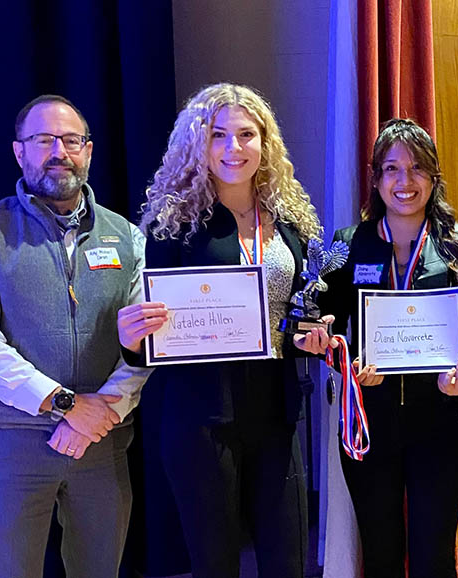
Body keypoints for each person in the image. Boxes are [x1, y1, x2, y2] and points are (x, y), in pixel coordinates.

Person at [115, 83, 324, 578]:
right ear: (197, 144)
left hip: (278, 412)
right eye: (218, 135)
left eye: (247, 134)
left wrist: (312, 335)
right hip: (200, 419)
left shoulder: (291, 221)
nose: (235, 148)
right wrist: (131, 342)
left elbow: (297, 311)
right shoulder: (173, 226)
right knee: (214, 565)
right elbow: (155, 339)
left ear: (265, 142)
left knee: (288, 560)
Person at [0, 94, 150, 577]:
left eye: (71, 139)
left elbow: (143, 344)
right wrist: (65, 405)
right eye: (43, 139)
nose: (59, 150)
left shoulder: (127, 236)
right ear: (19, 151)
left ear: (89, 151)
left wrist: (102, 412)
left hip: (103, 440)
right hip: (15, 442)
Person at [309, 119, 458, 578]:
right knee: (382, 551)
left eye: (416, 169)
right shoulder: (349, 245)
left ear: (433, 178)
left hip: (442, 425)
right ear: (375, 179)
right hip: (370, 427)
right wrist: (345, 360)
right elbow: (322, 328)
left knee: (434, 555)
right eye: (391, 169)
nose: (404, 182)